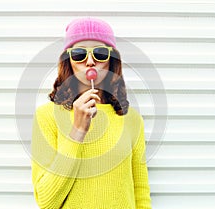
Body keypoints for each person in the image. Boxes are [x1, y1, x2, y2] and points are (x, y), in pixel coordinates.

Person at [31, 17, 152, 209]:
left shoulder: (131, 119)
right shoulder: (46, 116)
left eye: (100, 53)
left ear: (111, 61)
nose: (89, 62)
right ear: (68, 62)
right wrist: (77, 131)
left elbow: (141, 192)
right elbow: (47, 202)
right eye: (78, 54)